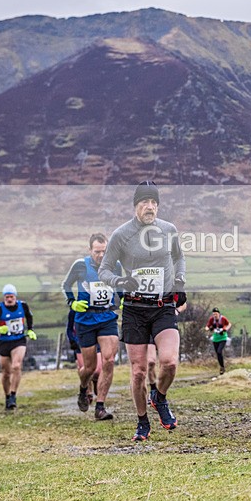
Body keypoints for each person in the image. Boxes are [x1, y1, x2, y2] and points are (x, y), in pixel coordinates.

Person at [99, 181, 186, 441]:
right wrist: (120, 282)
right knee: (138, 371)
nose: (150, 207)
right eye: (145, 203)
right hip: (135, 309)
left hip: (163, 306)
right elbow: (104, 269)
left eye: (154, 203)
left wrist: (179, 282)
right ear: (136, 205)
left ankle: (158, 397)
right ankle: (142, 421)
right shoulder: (121, 234)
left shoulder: (168, 230)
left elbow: (179, 257)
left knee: (169, 362)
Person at [62, 232, 121, 420]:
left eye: (104, 251)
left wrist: (121, 299)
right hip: (85, 320)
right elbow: (66, 285)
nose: (101, 255)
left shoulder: (115, 265)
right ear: (90, 250)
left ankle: (100, 406)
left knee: (109, 360)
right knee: (89, 368)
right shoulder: (80, 265)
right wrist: (73, 303)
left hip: (107, 318)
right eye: (97, 252)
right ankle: (82, 389)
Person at [0, 284, 37, 410]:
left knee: (16, 366)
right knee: (6, 373)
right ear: (4, 297)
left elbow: (29, 316)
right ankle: (7, 396)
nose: (9, 299)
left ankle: (13, 395)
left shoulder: (22, 305)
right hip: (4, 343)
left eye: (11, 296)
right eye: (7, 297)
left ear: (15, 297)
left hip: (19, 340)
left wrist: (30, 330)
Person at [65, 309, 101, 405]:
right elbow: (69, 329)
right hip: (79, 344)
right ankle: (87, 392)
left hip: (95, 342)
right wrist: (72, 341)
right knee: (84, 369)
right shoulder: (74, 310)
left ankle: (96, 381)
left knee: (96, 371)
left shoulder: (96, 308)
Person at [205, 307, 231, 374]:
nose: (215, 315)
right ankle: (222, 367)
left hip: (223, 338)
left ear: (218, 314)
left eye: (216, 314)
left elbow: (229, 324)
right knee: (218, 354)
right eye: (213, 314)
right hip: (215, 339)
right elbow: (207, 326)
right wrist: (208, 328)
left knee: (219, 351)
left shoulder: (223, 318)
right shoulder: (211, 319)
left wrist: (225, 329)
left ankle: (222, 367)